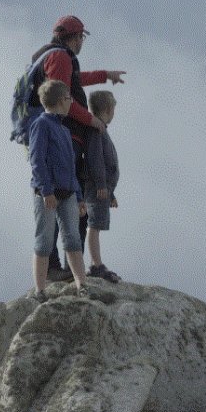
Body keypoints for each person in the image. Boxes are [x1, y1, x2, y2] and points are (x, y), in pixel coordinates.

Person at [29, 15, 126, 279]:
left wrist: (105, 75)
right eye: (81, 36)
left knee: (71, 202)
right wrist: (91, 119)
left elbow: (75, 80)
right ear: (75, 37)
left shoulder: (56, 56)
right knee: (67, 200)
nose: (82, 41)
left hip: (65, 137)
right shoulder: (60, 58)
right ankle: (57, 268)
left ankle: (66, 267)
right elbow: (63, 97)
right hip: (66, 139)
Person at [27, 79, 90, 302]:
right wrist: (46, 191)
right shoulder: (41, 124)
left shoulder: (63, 129)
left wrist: (79, 197)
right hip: (48, 194)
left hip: (68, 193)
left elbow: (71, 166)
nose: (71, 102)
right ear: (62, 100)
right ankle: (40, 290)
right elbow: (37, 160)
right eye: (69, 98)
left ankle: (82, 284)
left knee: (72, 239)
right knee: (44, 240)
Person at [84, 90, 122, 283]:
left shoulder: (102, 130)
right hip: (97, 187)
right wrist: (100, 184)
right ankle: (95, 264)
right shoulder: (96, 130)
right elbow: (96, 158)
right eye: (113, 109)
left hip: (104, 189)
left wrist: (111, 193)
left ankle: (95, 262)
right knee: (94, 225)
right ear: (107, 109)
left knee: (96, 225)